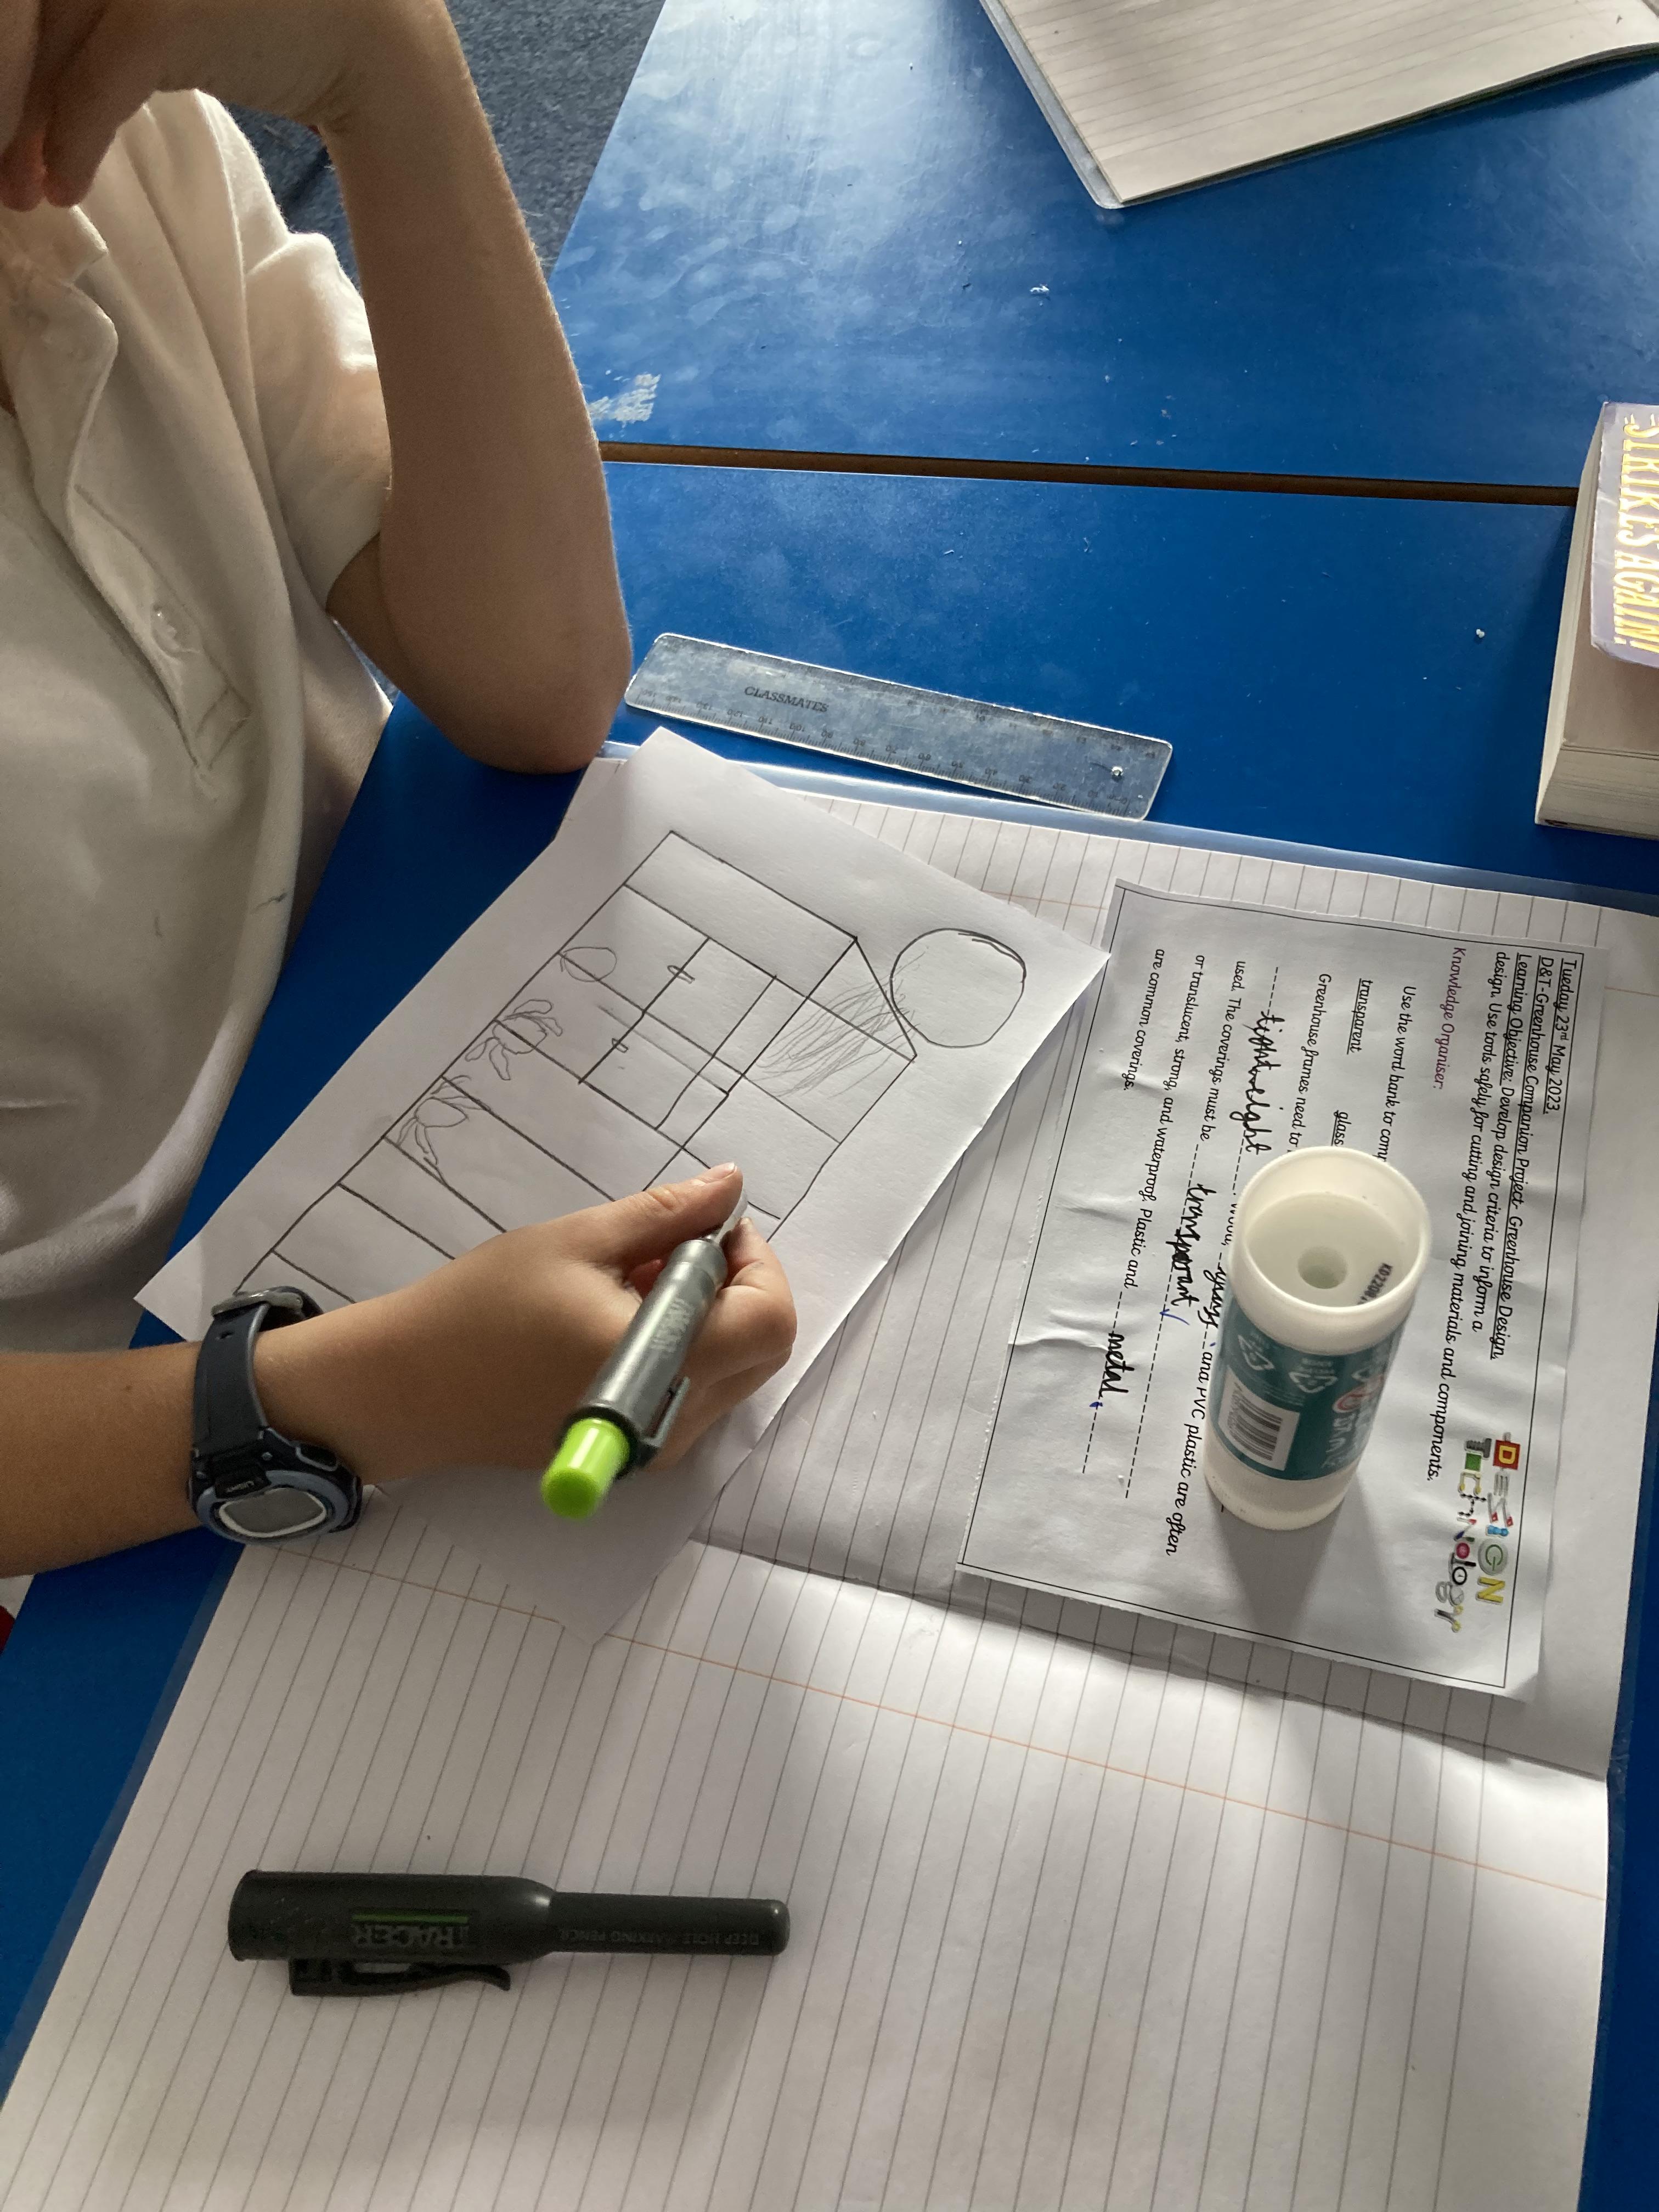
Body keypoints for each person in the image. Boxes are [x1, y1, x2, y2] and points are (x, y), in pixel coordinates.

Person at [0, 0, 796, 1577]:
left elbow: (534, 682)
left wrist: (389, 69)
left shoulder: (115, 145)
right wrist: (353, 1397)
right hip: (118, 1443)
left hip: (402, 1043)